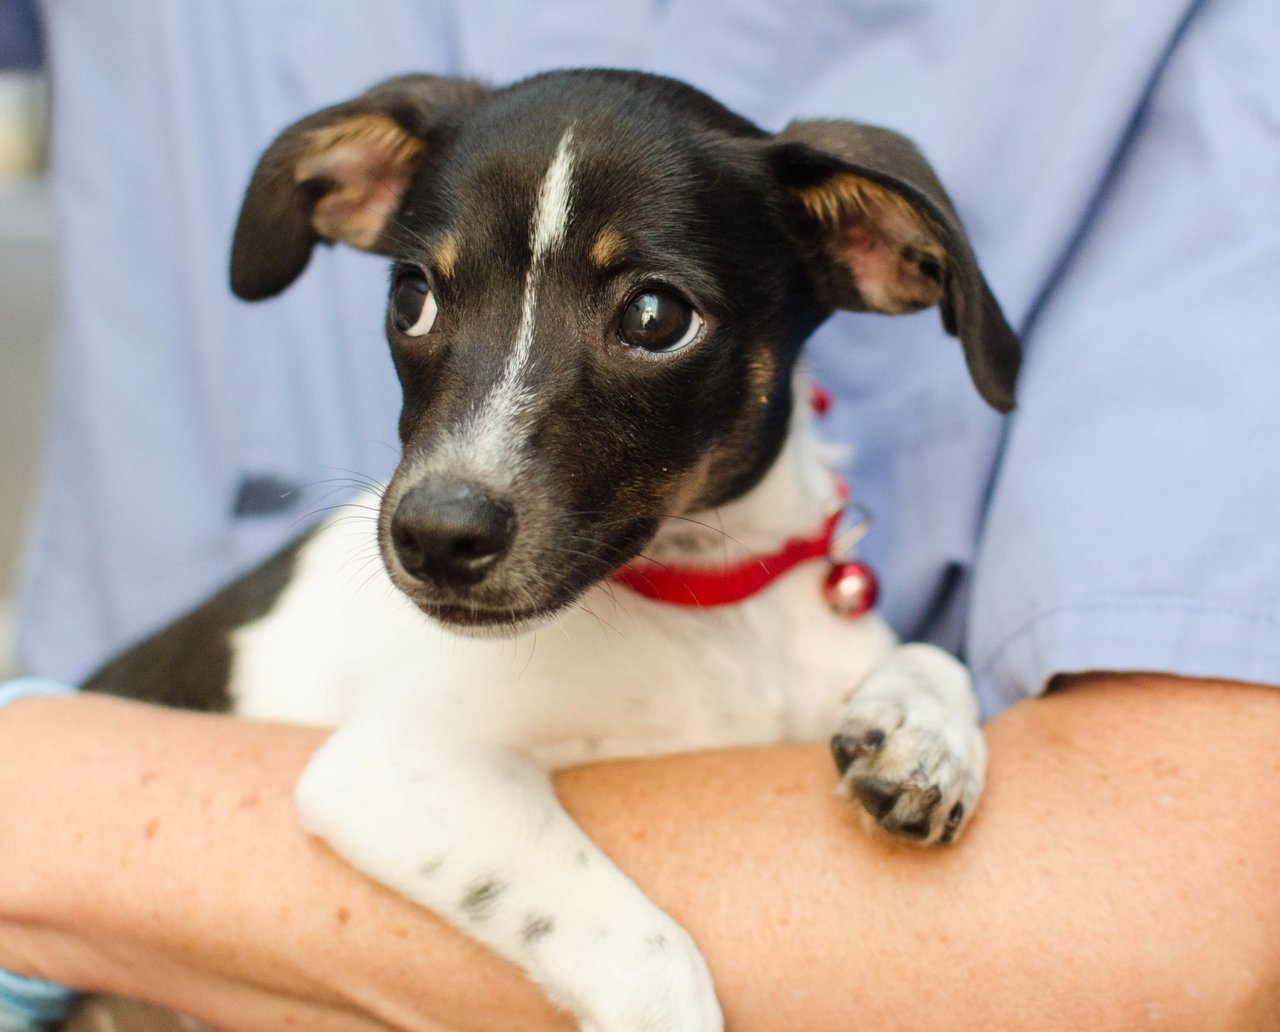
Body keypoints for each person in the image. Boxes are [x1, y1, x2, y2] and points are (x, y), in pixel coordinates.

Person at [3, 0, 1278, 1029]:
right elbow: (383, 782)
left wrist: (927, 694)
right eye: (423, 301)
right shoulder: (499, 634)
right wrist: (647, 990)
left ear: (875, 259)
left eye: (648, 320)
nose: (455, 483)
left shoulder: (817, 619)